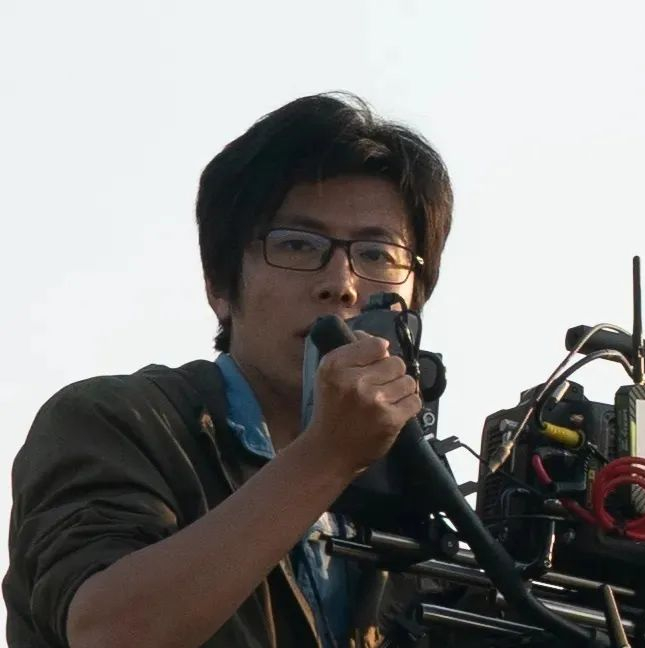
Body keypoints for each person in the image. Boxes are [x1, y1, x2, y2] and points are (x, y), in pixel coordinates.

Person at [4, 92, 453, 648]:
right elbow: (109, 632)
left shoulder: (420, 505)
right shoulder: (117, 421)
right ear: (219, 286)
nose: (341, 284)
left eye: (378, 254)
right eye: (297, 244)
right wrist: (327, 456)